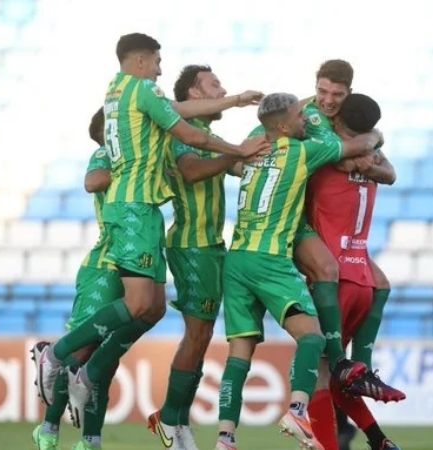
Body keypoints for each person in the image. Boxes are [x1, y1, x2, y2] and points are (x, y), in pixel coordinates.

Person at [32, 32, 269, 450]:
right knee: (141, 308)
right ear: (141, 61)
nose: (160, 70)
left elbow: (179, 111)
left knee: (152, 308)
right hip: (134, 212)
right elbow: (189, 137)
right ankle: (57, 361)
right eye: (157, 61)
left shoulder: (119, 91)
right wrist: (238, 148)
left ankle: (90, 408)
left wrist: (234, 104)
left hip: (144, 214)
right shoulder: (143, 93)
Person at [215, 93, 383, 450]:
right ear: (282, 126)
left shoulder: (254, 147)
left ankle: (225, 437)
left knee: (239, 353)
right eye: (298, 115)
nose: (305, 118)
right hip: (270, 259)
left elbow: (232, 164)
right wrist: (375, 135)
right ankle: (296, 410)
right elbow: (355, 146)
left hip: (237, 259)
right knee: (312, 337)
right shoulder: (300, 152)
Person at [146, 65, 242, 450]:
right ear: (194, 94)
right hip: (191, 244)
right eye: (214, 84)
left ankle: (178, 418)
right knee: (197, 333)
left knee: (202, 336)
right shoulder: (180, 133)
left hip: (211, 246)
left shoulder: (209, 136)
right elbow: (191, 172)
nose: (223, 89)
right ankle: (170, 418)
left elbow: (241, 165)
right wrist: (235, 155)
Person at [304, 93, 401, 450]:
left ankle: (335, 443)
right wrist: (374, 141)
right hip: (364, 280)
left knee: (318, 376)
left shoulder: (327, 154)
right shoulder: (374, 158)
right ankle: (379, 440)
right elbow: (388, 172)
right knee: (339, 377)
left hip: (332, 278)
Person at [32, 107, 123, 450]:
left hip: (132, 268)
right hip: (105, 266)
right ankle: (48, 429)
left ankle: (90, 441)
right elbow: (92, 182)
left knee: (106, 361)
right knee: (83, 351)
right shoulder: (106, 154)